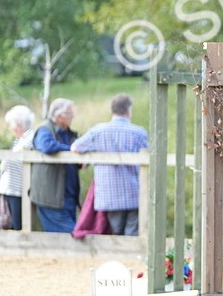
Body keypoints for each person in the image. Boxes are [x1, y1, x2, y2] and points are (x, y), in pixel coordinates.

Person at [71, 93, 149, 236]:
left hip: (108, 194)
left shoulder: (97, 131)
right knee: (132, 232)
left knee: (116, 231)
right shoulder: (139, 133)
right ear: (128, 110)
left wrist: (88, 158)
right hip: (134, 191)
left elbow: (75, 147)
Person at [30, 99, 80, 233]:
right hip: (51, 198)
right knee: (72, 235)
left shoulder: (69, 133)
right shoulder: (45, 129)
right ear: (59, 116)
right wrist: (71, 150)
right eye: (69, 114)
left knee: (67, 237)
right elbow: (46, 146)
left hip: (68, 196)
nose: (72, 117)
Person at [0, 105, 36, 231]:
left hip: (18, 189)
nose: (10, 128)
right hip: (12, 189)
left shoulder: (29, 139)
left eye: (11, 124)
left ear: (19, 124)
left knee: (19, 224)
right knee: (12, 223)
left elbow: (11, 160)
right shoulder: (20, 140)